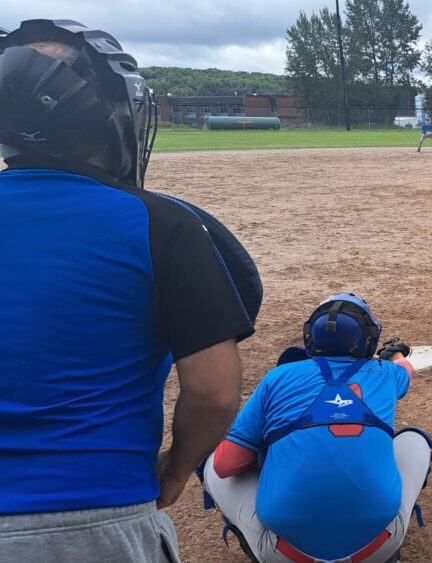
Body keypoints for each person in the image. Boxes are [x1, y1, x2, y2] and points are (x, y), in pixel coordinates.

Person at [0, 19, 256, 561]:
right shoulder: (160, 223)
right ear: (112, 117)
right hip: (95, 517)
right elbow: (213, 392)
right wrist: (176, 468)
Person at [202, 293, 432, 563]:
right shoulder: (384, 373)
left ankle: (258, 542)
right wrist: (393, 354)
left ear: (309, 336)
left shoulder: (278, 377)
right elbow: (406, 368)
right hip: (375, 548)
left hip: (286, 554)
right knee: (414, 440)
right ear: (368, 338)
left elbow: (227, 464)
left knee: (215, 463)